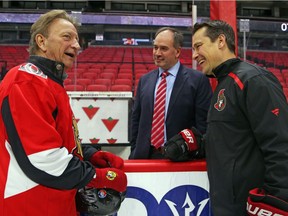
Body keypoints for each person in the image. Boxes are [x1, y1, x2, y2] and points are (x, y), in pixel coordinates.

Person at [0, 10, 127, 216]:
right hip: (30, 206)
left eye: (77, 39)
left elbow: (55, 140)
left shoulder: (48, 82)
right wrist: (99, 176)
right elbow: (42, 158)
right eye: (67, 37)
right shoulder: (25, 81)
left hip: (53, 204)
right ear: (41, 41)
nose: (77, 45)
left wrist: (89, 154)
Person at [189, 20, 288, 215]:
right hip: (227, 205)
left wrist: (276, 201)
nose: (194, 55)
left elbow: (280, 144)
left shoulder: (253, 79)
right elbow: (232, 141)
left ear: (220, 41)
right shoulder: (224, 84)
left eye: (198, 46)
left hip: (249, 207)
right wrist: (194, 144)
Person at [129, 27, 212, 159]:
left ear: (177, 52)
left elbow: (203, 125)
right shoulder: (145, 80)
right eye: (155, 47)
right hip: (145, 156)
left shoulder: (198, 81)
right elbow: (136, 120)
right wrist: (134, 150)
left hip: (181, 158)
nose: (157, 53)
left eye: (163, 48)